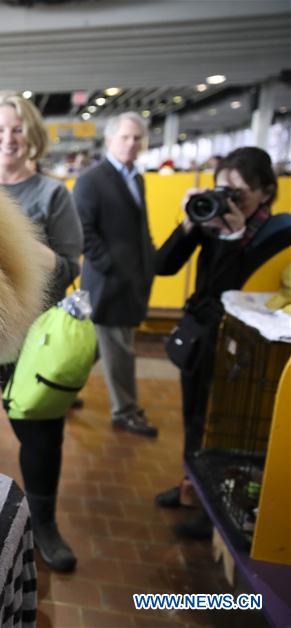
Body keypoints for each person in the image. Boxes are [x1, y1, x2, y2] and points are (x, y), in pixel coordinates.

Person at [0, 91, 83, 572]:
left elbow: (69, 265)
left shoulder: (52, 195)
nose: (8, 138)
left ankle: (43, 525)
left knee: (41, 434)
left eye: (16, 129)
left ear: (31, 135)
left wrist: (20, 239)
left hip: (36, 340)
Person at [154, 147, 291, 539]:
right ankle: (190, 488)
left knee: (222, 430)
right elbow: (162, 266)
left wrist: (231, 235)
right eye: (221, 189)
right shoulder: (208, 220)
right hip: (203, 342)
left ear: (266, 193)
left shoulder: (277, 234)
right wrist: (188, 223)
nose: (229, 199)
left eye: (239, 192)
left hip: (245, 348)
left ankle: (214, 507)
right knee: (194, 419)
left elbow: (228, 291)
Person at [74, 112, 158, 438]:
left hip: (130, 278)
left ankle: (61, 391)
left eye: (137, 138)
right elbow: (82, 229)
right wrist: (109, 265)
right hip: (107, 282)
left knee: (96, 347)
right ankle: (126, 410)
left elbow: (139, 228)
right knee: (120, 348)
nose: (132, 143)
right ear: (110, 140)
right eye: (125, 137)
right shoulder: (92, 180)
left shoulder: (136, 177)